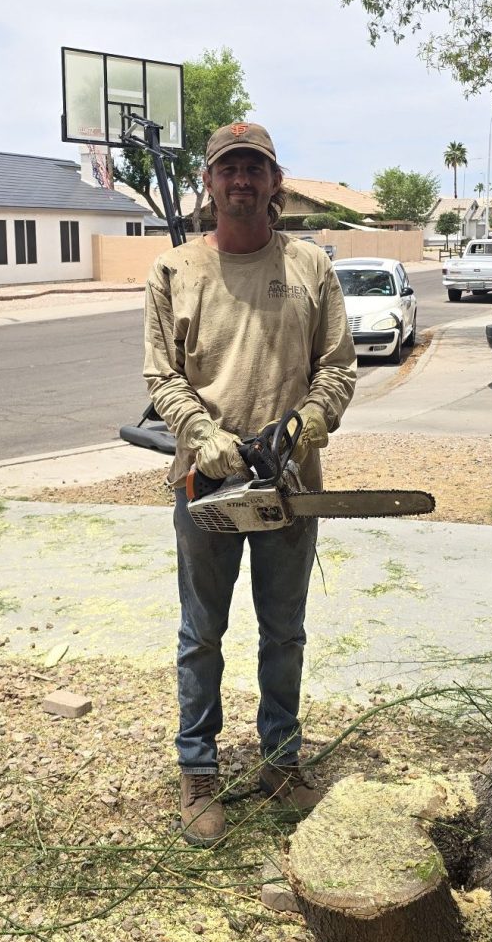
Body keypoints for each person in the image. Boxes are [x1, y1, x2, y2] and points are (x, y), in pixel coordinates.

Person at [143, 122, 357, 846]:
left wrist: (302, 425)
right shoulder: (173, 271)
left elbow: (336, 367)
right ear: (208, 182)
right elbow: (161, 378)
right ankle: (196, 768)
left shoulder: (308, 267)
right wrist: (205, 438)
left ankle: (279, 760)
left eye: (254, 169)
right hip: (203, 484)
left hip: (292, 484)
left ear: (274, 181)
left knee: (283, 632)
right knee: (201, 633)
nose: (241, 180)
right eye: (228, 168)